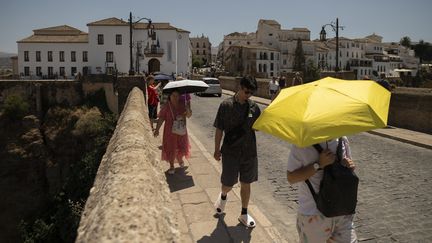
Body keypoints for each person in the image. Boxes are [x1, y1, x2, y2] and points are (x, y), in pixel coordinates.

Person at [286, 137, 357, 242]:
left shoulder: (342, 140)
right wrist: (318, 164)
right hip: (313, 215)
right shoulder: (301, 145)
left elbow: (347, 172)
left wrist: (349, 166)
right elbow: (291, 178)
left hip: (342, 212)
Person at [213, 76, 261, 228]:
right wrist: (216, 150)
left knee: (246, 183)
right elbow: (219, 129)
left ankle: (244, 213)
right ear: (240, 87)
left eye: (251, 93)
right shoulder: (226, 106)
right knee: (227, 184)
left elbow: (258, 127)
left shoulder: (254, 107)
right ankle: (223, 195)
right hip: (231, 152)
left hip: (249, 152)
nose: (249, 95)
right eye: (247, 92)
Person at [153, 89, 192, 174]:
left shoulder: (182, 105)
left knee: (181, 146)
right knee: (171, 147)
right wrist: (157, 130)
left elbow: (189, 115)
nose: (175, 97)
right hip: (169, 131)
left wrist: (188, 109)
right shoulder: (167, 106)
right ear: (170, 96)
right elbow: (161, 118)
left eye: (177, 96)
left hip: (181, 129)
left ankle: (180, 159)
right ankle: (171, 165)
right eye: (173, 95)